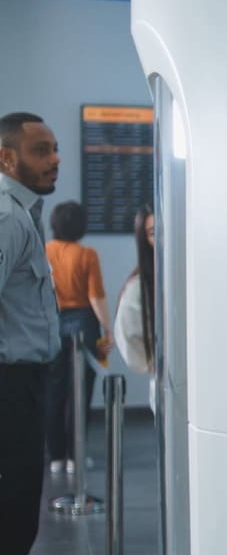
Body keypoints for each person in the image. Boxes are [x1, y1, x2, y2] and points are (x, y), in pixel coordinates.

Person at [0, 112, 66, 555]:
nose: (54, 159)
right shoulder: (6, 216)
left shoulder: (21, 213)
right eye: (41, 150)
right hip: (8, 386)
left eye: (55, 149)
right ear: (7, 158)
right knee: (13, 519)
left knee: (15, 517)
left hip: (20, 383)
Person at [45, 201, 113, 474]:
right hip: (84, 324)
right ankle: (76, 456)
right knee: (80, 393)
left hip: (53, 323)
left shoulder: (45, 250)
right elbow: (96, 296)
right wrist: (108, 329)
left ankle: (56, 457)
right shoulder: (87, 255)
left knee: (54, 392)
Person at [114, 204, 156, 413]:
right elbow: (132, 343)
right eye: (153, 233)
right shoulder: (139, 287)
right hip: (170, 384)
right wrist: (157, 364)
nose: (163, 238)